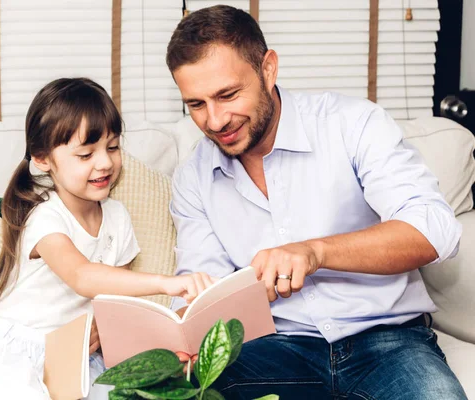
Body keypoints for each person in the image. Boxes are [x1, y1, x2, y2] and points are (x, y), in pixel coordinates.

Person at [166, 5, 467, 400]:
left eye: (228, 94)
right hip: (273, 348)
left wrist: (314, 252)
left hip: (389, 343)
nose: (216, 120)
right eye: (196, 105)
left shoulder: (352, 124)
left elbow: (434, 230)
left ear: (268, 69)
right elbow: (204, 290)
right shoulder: (194, 177)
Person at [0, 78, 214, 400]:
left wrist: (113, 327)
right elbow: (82, 276)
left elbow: (115, 297)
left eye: (112, 147)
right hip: (16, 351)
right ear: (43, 159)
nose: (105, 162)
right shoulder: (45, 216)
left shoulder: (118, 218)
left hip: (74, 357)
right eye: (86, 154)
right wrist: (167, 283)